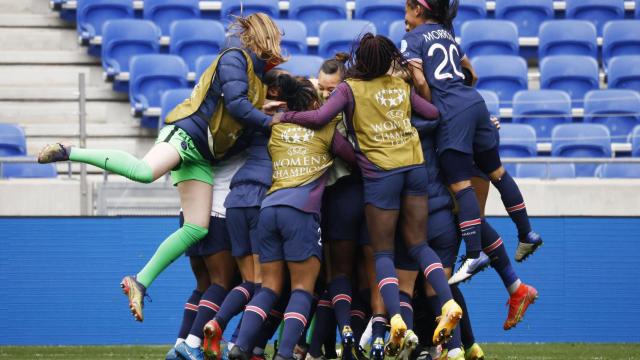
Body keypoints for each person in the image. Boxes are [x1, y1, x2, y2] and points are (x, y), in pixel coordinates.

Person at [37, 13, 284, 322]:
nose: (279, 47)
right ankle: (69, 151)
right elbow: (235, 104)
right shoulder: (235, 57)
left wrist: (266, 112)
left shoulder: (254, 75)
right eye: (277, 39)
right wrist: (272, 121)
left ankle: (139, 281)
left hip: (202, 155)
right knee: (144, 172)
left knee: (196, 228)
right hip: (185, 135)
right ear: (266, 36)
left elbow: (236, 114)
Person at [273, 34, 461, 351]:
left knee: (384, 253)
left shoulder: (350, 89)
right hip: (414, 169)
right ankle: (447, 303)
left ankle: (397, 320)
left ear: (361, 61)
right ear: (388, 59)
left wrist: (284, 116)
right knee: (418, 245)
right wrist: (404, 128)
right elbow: (432, 114)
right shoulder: (399, 86)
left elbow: (320, 118)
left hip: (380, 175)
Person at [402, 0, 543, 281]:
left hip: (451, 114)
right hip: (476, 103)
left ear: (418, 9)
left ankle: (474, 253)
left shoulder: (412, 39)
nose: (405, 17)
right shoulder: (447, 33)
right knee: (498, 172)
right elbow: (472, 73)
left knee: (460, 186)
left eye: (406, 9)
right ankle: (527, 232)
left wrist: (433, 110)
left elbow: (418, 82)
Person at [228, 74, 356, 360]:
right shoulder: (325, 128)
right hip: (301, 212)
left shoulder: (278, 127)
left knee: (269, 287)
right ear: (312, 102)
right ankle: (286, 354)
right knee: (302, 289)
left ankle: (241, 346)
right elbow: (352, 157)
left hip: (269, 208)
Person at [201, 69, 287, 360]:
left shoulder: (252, 119)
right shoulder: (290, 119)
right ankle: (246, 346)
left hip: (234, 199)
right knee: (264, 286)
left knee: (247, 282)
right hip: (261, 198)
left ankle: (217, 322)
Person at [170, 155, 245, 360]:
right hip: (218, 209)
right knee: (222, 283)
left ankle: (179, 344)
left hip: (189, 211)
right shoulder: (237, 129)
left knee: (203, 285)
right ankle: (193, 343)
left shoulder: (197, 128)